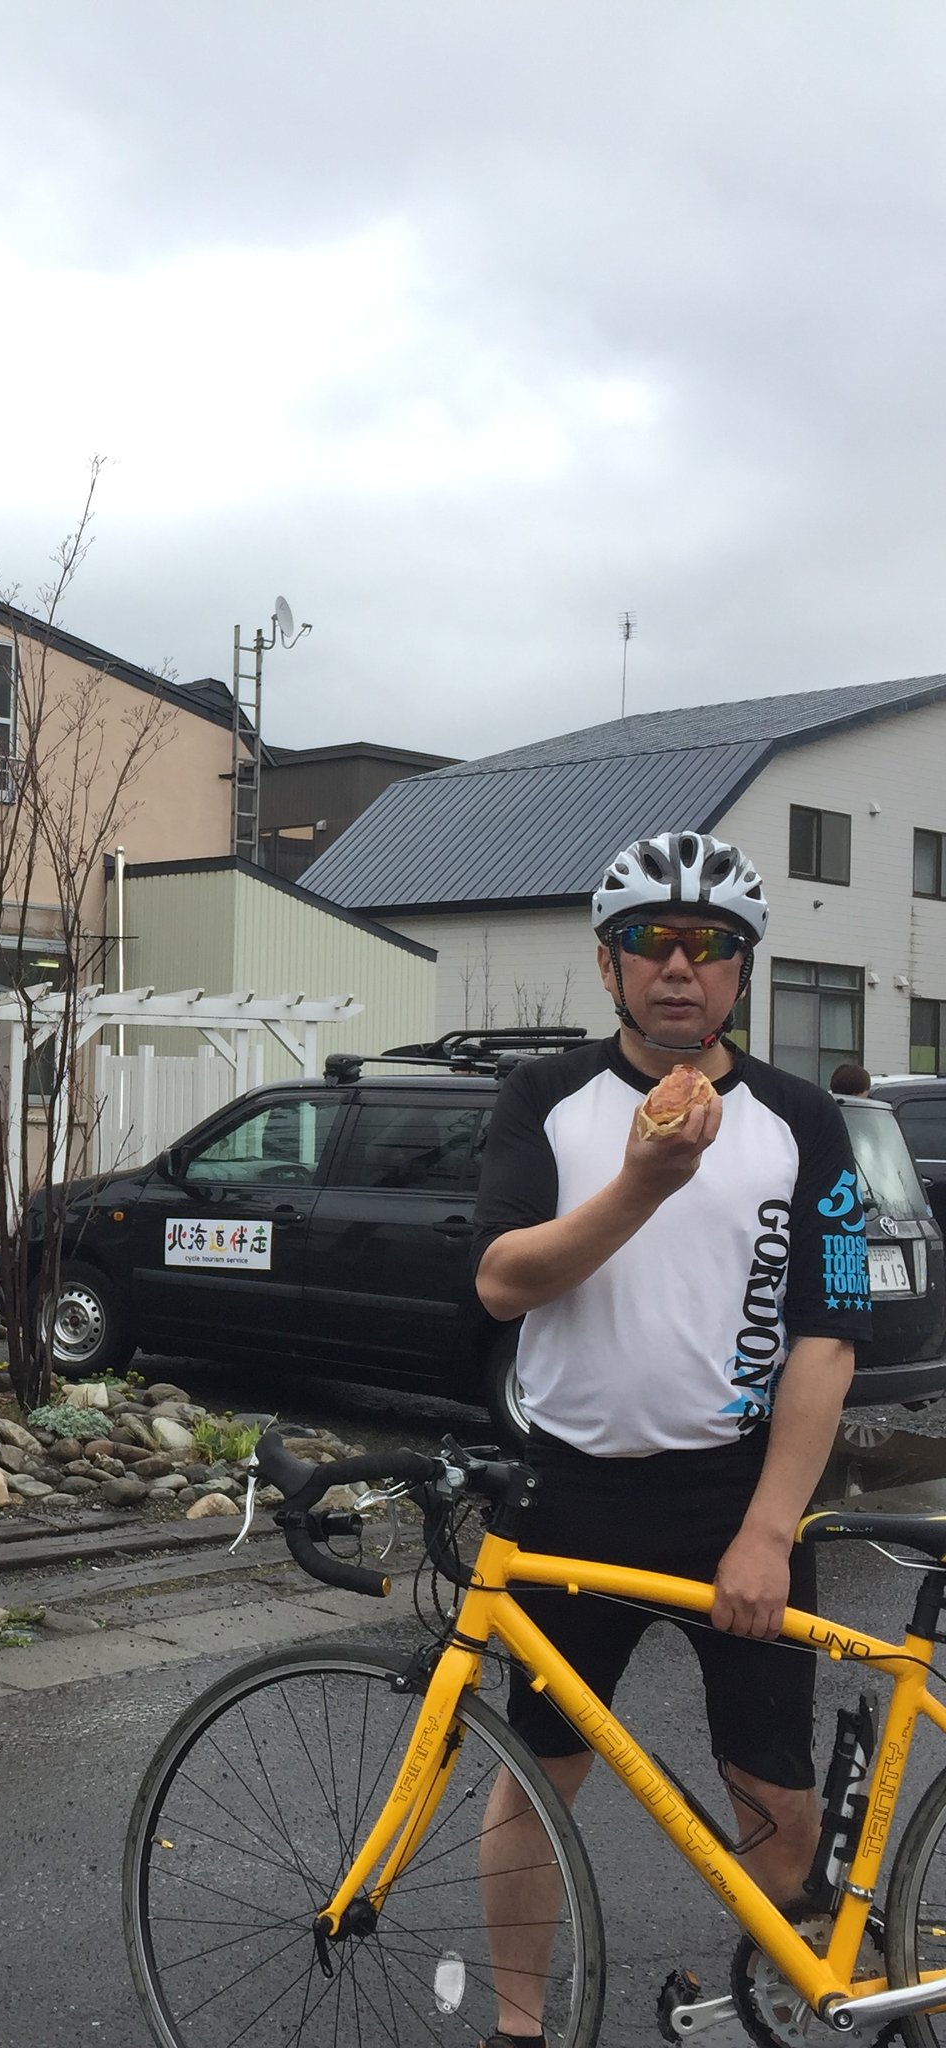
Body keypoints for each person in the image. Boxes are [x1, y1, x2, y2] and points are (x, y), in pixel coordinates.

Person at [470, 831, 870, 2048]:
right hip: (567, 1490)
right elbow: (498, 1281)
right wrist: (639, 1180)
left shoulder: (808, 1122)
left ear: (743, 971)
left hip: (732, 1499)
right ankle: (516, 2024)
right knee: (539, 1772)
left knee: (776, 1802)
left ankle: (772, 2007)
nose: (679, 967)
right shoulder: (541, 1098)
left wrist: (763, 1528)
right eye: (651, 941)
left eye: (712, 946)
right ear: (606, 967)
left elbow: (828, 1331)